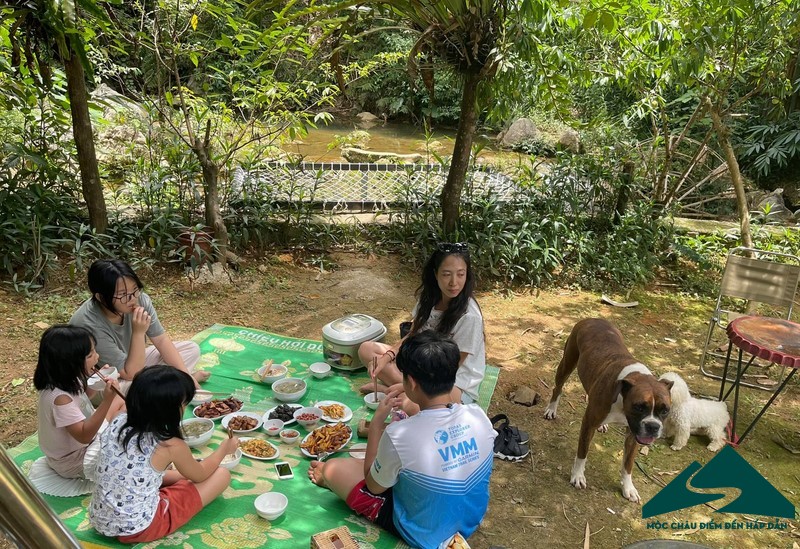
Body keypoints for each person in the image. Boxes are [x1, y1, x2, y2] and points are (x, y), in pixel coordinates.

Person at [309, 331, 496, 549]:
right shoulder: (478, 416)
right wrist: (408, 395)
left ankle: (328, 479)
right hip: (469, 518)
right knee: (401, 464)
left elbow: (373, 486)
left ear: (412, 382)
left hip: (425, 532)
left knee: (334, 468)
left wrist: (377, 424)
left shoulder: (400, 434)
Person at [89, 366, 237, 543]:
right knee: (221, 475)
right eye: (184, 404)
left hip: (101, 520)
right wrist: (224, 449)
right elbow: (201, 474)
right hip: (141, 527)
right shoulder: (169, 444)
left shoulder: (119, 420)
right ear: (169, 409)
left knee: (172, 474)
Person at [359, 242, 485, 405]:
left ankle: (397, 390)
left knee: (410, 405)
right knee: (367, 350)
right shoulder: (429, 300)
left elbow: (450, 369)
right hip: (423, 366)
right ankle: (404, 388)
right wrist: (387, 357)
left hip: (452, 383)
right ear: (435, 273)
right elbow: (413, 334)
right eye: (446, 274)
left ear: (467, 275)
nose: (454, 282)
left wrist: (407, 387)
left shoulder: (470, 316)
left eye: (461, 274)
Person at [70, 259, 208, 390]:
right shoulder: (88, 324)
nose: (133, 299)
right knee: (132, 388)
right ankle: (175, 383)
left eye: (135, 290)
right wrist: (138, 332)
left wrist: (186, 376)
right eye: (123, 294)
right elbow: (130, 374)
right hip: (100, 381)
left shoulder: (140, 299)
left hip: (132, 362)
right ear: (101, 297)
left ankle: (184, 380)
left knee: (191, 349)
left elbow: (161, 340)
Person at [33, 325, 125, 480]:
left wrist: (98, 384)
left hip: (83, 443)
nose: (97, 357)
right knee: (126, 466)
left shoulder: (65, 378)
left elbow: (82, 399)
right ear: (69, 361)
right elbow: (84, 436)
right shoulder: (60, 399)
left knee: (122, 401)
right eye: (90, 355)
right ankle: (169, 476)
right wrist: (106, 401)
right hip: (75, 460)